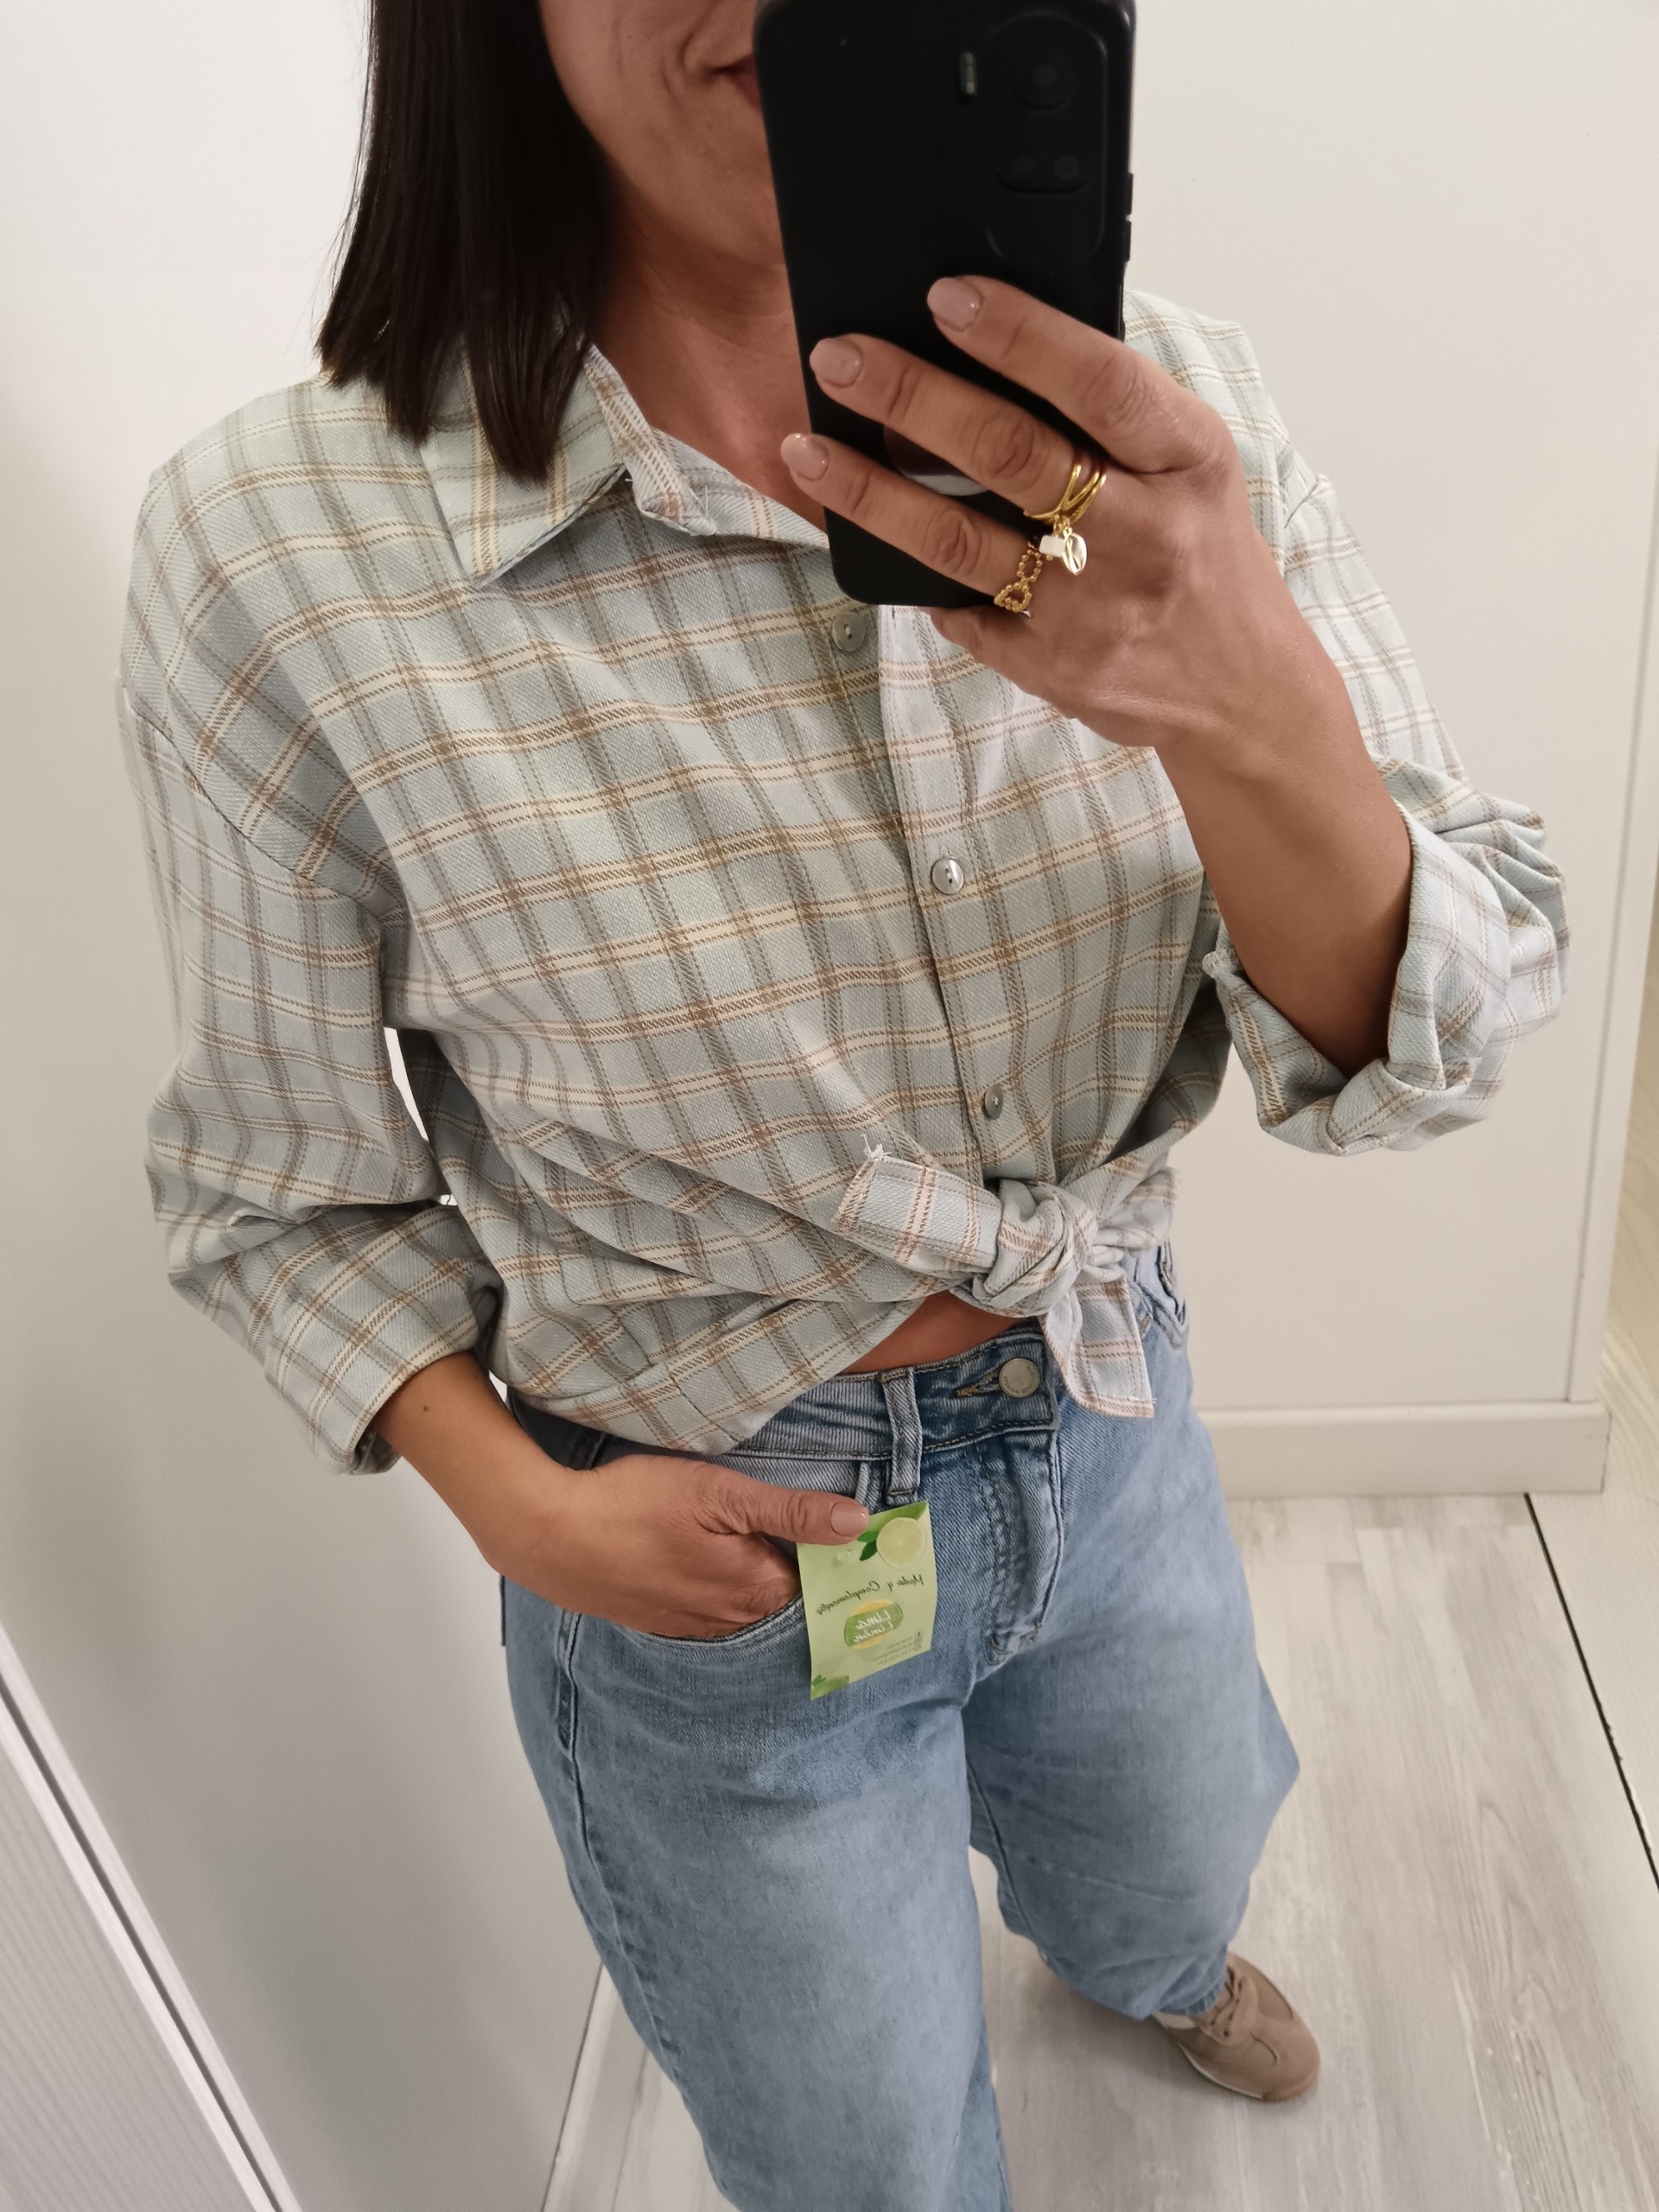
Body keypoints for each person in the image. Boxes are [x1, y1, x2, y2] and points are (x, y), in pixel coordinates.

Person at [118, 2, 1566, 2206]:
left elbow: (1427, 1036)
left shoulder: (1166, 422)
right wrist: (523, 1512)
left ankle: (1150, 1957)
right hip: (699, 1522)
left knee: (1174, 1831)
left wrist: (1255, 702)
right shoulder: (277, 553)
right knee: (863, 2149)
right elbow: (282, 1184)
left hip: (1112, 1390)